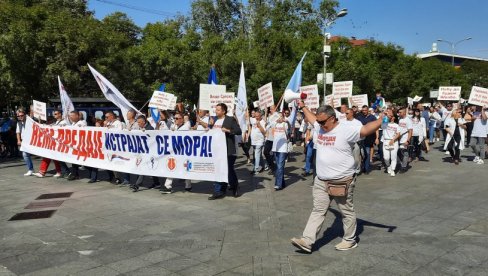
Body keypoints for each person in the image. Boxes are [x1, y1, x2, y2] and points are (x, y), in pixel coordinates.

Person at [291, 103, 383, 253]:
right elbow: (311, 118)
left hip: (342, 181)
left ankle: (349, 240)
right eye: (318, 121)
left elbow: (366, 129)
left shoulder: (346, 129)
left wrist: (381, 119)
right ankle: (307, 241)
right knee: (318, 210)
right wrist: (303, 107)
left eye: (322, 122)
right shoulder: (319, 125)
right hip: (321, 180)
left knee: (346, 212)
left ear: (332, 118)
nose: (319, 124)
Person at [208, 103, 242, 199]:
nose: (216, 111)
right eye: (216, 109)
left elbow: (239, 131)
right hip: (217, 150)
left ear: (223, 111)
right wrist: (210, 126)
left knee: (228, 170)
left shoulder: (230, 119)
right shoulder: (214, 119)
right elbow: (212, 132)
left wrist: (228, 131)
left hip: (228, 150)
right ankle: (219, 191)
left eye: (218, 110)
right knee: (219, 169)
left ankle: (235, 186)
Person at [160, 112, 192, 194]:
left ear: (182, 119)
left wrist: (185, 118)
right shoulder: (173, 126)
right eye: (174, 118)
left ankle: (188, 185)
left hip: (184, 151)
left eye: (177, 118)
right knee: (171, 167)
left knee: (185, 168)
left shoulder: (186, 126)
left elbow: (187, 121)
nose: (175, 120)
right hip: (174, 151)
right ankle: (168, 186)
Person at [33, 110, 70, 178]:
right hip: (54, 143)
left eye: (55, 114)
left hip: (60, 143)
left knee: (53, 156)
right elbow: (48, 127)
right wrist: (40, 122)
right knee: (53, 156)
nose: (54, 115)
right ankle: (58, 171)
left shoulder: (64, 122)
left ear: (60, 114)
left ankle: (61, 171)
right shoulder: (56, 122)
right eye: (54, 114)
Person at [131, 115, 160, 192]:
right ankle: (157, 183)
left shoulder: (150, 128)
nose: (138, 124)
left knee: (143, 167)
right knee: (151, 168)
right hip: (144, 152)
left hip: (149, 152)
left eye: (139, 122)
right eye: (138, 122)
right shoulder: (141, 128)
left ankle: (137, 185)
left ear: (144, 122)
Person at [67, 110, 87, 180]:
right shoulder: (73, 124)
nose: (70, 117)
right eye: (70, 116)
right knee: (74, 160)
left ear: (77, 116)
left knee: (85, 161)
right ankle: (75, 174)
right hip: (74, 144)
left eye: (72, 116)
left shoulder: (81, 123)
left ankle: (93, 174)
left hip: (80, 144)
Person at [356, 105, 377, 174]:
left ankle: (366, 168)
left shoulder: (372, 117)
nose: (364, 111)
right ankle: (361, 166)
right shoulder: (359, 117)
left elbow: (376, 127)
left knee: (367, 152)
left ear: (368, 110)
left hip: (369, 138)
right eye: (363, 110)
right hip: (361, 138)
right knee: (361, 154)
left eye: (365, 110)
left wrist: (377, 138)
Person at [272, 112, 289, 190]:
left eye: (281, 116)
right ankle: (282, 183)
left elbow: (289, 130)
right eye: (278, 117)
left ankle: (278, 184)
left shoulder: (284, 124)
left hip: (283, 148)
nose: (279, 118)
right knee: (278, 166)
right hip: (275, 148)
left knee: (280, 166)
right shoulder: (274, 124)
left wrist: (287, 122)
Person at [381, 108, 400, 176]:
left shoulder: (396, 125)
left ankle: (393, 170)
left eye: (392, 116)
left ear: (394, 117)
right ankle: (388, 166)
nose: (391, 117)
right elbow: (382, 127)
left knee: (393, 157)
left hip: (394, 142)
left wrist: (393, 140)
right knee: (386, 157)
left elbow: (398, 134)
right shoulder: (385, 122)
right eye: (390, 116)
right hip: (386, 141)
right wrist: (386, 115)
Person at [16, 109, 34, 176]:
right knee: (25, 155)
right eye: (19, 116)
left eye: (22, 115)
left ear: (25, 115)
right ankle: (30, 169)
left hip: (32, 140)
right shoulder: (19, 123)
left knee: (43, 154)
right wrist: (18, 140)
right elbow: (18, 132)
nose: (20, 117)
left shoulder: (29, 121)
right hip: (24, 141)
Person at [249, 109, 266, 174]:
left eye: (257, 116)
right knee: (259, 155)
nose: (256, 117)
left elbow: (264, 132)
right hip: (253, 141)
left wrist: (260, 126)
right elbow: (246, 116)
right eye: (255, 116)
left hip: (260, 141)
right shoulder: (253, 120)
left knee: (257, 154)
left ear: (261, 116)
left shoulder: (263, 122)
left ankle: (256, 169)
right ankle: (264, 166)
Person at [397, 107, 413, 173]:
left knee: (404, 152)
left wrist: (408, 140)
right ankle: (403, 163)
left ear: (404, 112)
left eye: (400, 112)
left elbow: (410, 131)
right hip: (399, 139)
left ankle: (404, 167)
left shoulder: (408, 120)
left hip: (405, 139)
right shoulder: (400, 119)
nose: (399, 113)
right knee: (399, 152)